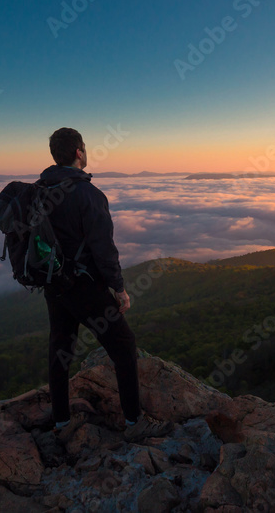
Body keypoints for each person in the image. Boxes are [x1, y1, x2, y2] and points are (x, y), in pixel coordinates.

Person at [40, 127, 173, 443]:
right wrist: (119, 289)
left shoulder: (40, 189)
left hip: (52, 283)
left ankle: (60, 422)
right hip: (85, 286)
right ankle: (134, 421)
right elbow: (103, 248)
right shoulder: (89, 194)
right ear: (79, 153)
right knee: (124, 345)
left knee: (60, 349)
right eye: (84, 149)